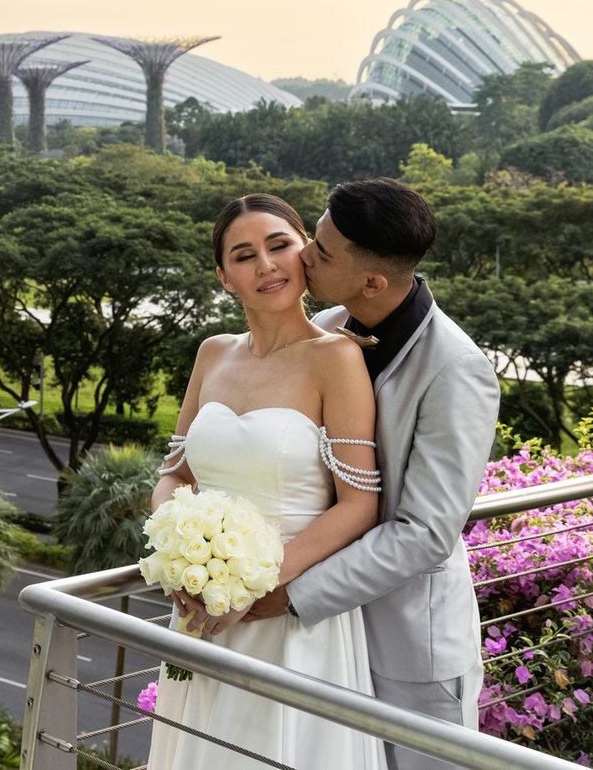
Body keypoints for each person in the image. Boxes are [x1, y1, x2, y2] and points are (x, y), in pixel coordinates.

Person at [241, 177, 500, 770]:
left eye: (323, 253)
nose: (303, 254)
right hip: (324, 642)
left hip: (406, 646)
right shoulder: (327, 329)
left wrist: (292, 595)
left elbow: (426, 532)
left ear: (373, 281)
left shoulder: (457, 370)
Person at [146, 193, 387, 770]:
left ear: (305, 251)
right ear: (225, 278)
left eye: (279, 245)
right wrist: (180, 552)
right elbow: (174, 474)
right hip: (202, 607)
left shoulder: (336, 358)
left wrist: (254, 586)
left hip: (285, 611)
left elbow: (359, 504)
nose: (266, 266)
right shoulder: (212, 355)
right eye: (244, 255)